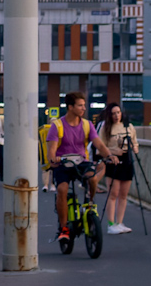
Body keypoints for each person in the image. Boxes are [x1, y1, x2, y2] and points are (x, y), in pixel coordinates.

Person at [46, 92, 115, 241]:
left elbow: (99, 144)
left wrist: (109, 155)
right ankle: (64, 228)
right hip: (63, 163)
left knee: (92, 178)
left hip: (81, 161)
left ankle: (89, 202)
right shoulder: (57, 126)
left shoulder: (87, 124)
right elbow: (51, 150)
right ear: (70, 107)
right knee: (62, 190)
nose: (84, 108)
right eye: (80, 105)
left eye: (84, 105)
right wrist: (53, 158)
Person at [99, 105, 139, 234]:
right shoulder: (105, 128)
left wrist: (134, 148)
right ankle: (111, 224)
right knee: (113, 193)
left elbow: (135, 142)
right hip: (113, 161)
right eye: (113, 113)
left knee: (123, 194)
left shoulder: (128, 127)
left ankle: (120, 222)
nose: (116, 116)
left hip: (127, 161)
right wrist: (112, 151)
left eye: (118, 112)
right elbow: (101, 147)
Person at [38, 112, 54, 192]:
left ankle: (48, 185)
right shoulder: (45, 130)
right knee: (49, 170)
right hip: (49, 153)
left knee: (48, 170)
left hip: (46, 153)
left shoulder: (43, 130)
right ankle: (48, 185)